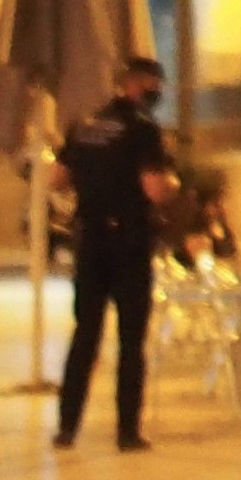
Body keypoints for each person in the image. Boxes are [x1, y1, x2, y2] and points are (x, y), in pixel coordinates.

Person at [52, 54, 176, 451]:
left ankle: (67, 427)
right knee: (130, 339)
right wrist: (173, 184)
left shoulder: (85, 124)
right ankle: (127, 431)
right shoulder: (142, 128)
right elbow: (154, 189)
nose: (156, 94)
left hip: (89, 239)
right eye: (154, 86)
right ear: (140, 84)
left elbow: (57, 179)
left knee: (84, 334)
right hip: (128, 241)